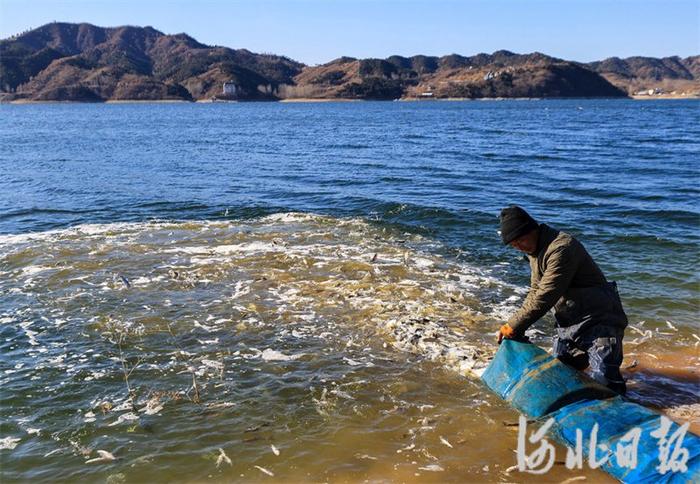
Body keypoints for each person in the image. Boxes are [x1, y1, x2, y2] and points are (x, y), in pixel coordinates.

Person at [497, 205, 628, 394]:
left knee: (606, 381)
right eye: (514, 245)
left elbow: (546, 295)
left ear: (532, 229)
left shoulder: (561, 248)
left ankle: (623, 416)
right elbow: (536, 290)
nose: (519, 247)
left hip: (599, 320)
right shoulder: (534, 250)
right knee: (560, 375)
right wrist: (514, 326)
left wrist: (514, 324)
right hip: (569, 323)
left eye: (521, 240)